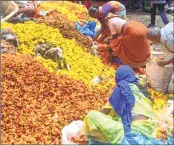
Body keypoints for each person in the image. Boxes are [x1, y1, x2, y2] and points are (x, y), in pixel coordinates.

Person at [81, 65, 157, 144]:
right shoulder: (143, 91)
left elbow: (104, 112)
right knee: (118, 116)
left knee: (92, 116)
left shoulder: (122, 89)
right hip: (149, 132)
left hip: (131, 134)